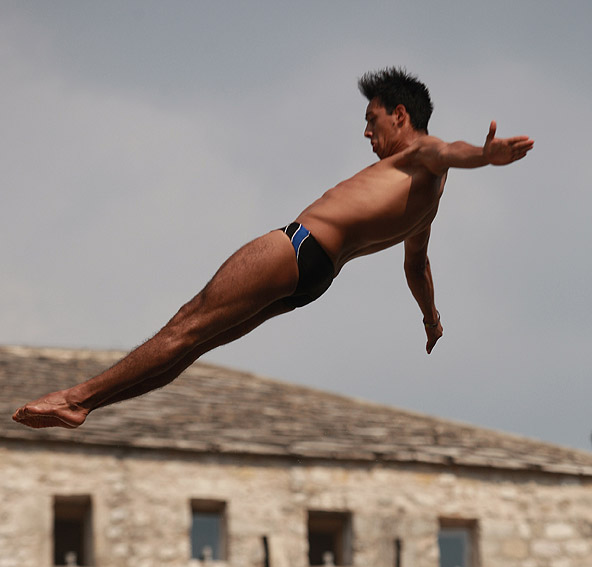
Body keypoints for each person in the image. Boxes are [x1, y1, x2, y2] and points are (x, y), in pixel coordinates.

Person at [12, 67, 534, 430]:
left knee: (187, 323)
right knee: (195, 344)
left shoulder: (423, 151)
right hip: (314, 281)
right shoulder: (428, 197)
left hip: (299, 247)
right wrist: (431, 317)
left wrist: (486, 156)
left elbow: (452, 150)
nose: (366, 132)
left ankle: (74, 397)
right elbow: (416, 265)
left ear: (401, 114)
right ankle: (85, 406)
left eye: (372, 120)